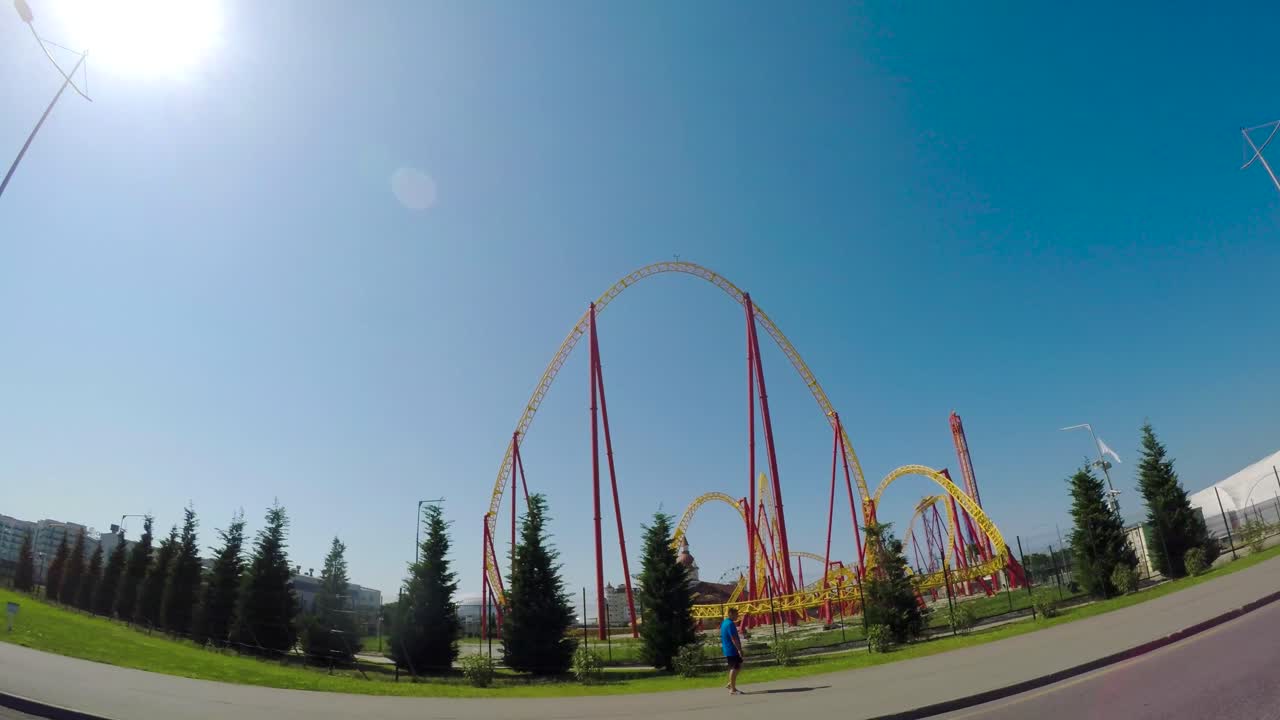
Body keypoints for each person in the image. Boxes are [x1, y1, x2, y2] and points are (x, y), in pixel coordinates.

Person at [721, 607, 744, 695]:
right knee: (734, 668)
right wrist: (739, 649)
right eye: (736, 614)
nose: (737, 616)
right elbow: (733, 638)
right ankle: (732, 690)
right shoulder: (730, 624)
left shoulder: (725, 622)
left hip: (729, 649)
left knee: (739, 665)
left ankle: (730, 684)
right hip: (731, 649)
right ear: (730, 614)